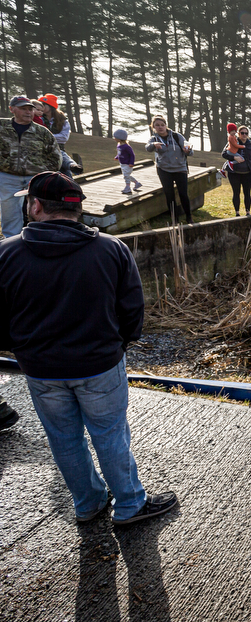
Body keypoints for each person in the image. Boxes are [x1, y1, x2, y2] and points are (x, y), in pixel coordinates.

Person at [0, 171, 177, 525]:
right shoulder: (111, 249)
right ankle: (129, 504)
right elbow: (131, 310)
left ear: (35, 206)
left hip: (41, 369)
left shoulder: (7, 254)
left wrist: (21, 350)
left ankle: (88, 503)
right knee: (110, 434)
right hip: (99, 364)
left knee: (63, 439)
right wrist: (118, 345)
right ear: (79, 208)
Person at [0, 96, 61, 238]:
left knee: (41, 210)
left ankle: (40, 239)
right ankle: (12, 242)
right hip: (8, 177)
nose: (28, 112)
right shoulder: (2, 127)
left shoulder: (42, 132)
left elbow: (55, 155)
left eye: (30, 109)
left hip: (36, 178)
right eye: (23, 109)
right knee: (10, 212)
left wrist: (45, 174)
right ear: (12, 109)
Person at [145, 114, 194, 224]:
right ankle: (175, 219)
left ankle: (189, 217)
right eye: (157, 125)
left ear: (166, 125)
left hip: (180, 169)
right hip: (164, 170)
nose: (160, 127)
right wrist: (153, 145)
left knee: (183, 194)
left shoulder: (177, 136)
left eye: (162, 125)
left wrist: (188, 151)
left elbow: (189, 149)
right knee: (169, 195)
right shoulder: (154, 139)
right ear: (153, 127)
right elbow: (148, 148)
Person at [221, 124, 251, 216]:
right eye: (242, 133)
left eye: (246, 133)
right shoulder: (232, 142)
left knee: (247, 193)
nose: (244, 135)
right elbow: (224, 154)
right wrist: (234, 158)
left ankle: (248, 212)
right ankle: (237, 213)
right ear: (238, 133)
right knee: (236, 192)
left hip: (248, 173)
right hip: (234, 173)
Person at [38, 93, 81, 175]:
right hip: (42, 151)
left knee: (65, 172)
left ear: (50, 106)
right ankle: (71, 165)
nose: (41, 107)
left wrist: (47, 137)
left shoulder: (62, 120)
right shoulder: (39, 120)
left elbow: (64, 138)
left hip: (59, 150)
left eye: (43, 104)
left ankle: (73, 168)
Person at [113, 128, 142, 194]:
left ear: (120, 138)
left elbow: (132, 155)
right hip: (122, 163)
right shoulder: (119, 145)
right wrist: (117, 157)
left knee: (126, 176)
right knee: (127, 175)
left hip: (127, 164)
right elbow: (120, 153)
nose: (114, 138)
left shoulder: (126, 146)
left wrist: (131, 163)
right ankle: (137, 183)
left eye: (115, 137)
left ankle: (127, 187)